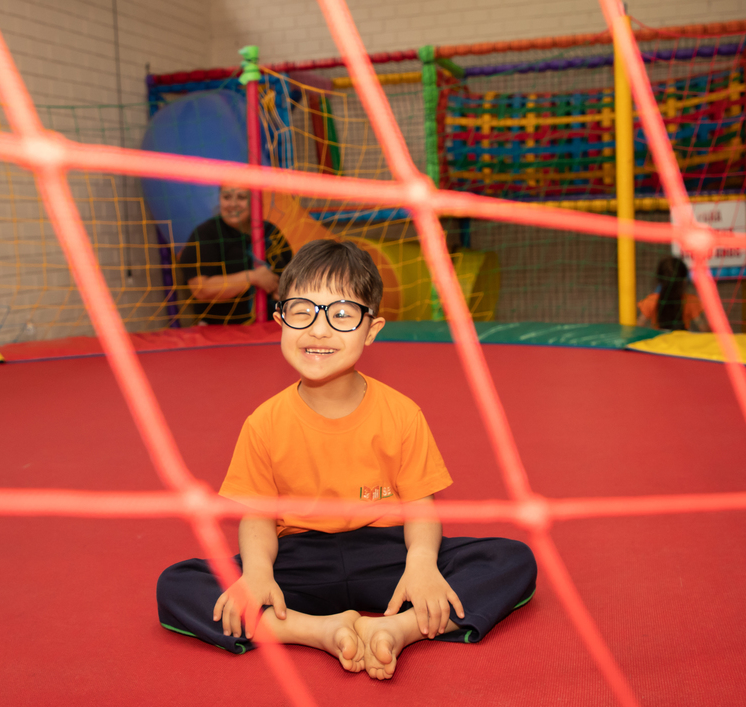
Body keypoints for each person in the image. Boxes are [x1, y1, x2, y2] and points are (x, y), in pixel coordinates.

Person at [156, 239, 537, 681]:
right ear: (280, 320)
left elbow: (420, 506)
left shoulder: (401, 413)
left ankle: (398, 629)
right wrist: (257, 573)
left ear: (371, 330)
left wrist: (421, 565)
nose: (319, 330)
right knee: (179, 583)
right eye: (302, 311)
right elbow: (258, 516)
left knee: (511, 559)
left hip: (387, 554)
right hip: (300, 560)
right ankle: (315, 630)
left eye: (341, 315)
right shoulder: (264, 422)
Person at [176, 185, 292, 324]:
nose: (233, 204)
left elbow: (292, 273)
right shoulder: (206, 234)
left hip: (271, 325)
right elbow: (200, 289)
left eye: (241, 197)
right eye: (227, 197)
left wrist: (283, 290)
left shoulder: (270, 231)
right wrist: (252, 277)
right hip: (220, 328)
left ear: (255, 201)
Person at [636, 256, 711, 332]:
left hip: (659, 339)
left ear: (659, 279)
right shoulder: (690, 301)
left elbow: (638, 326)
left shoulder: (652, 301)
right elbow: (703, 328)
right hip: (682, 339)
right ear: (684, 281)